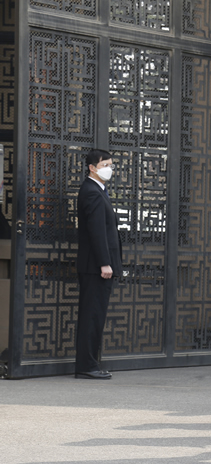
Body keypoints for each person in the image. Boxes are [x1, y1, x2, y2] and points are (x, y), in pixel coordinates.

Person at [75, 149, 123, 380]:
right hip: (95, 267)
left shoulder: (99, 190)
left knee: (95, 315)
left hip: (97, 266)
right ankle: (87, 366)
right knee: (92, 316)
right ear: (92, 168)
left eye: (111, 165)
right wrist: (105, 263)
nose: (109, 169)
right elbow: (96, 231)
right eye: (105, 165)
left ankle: (90, 364)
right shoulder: (91, 192)